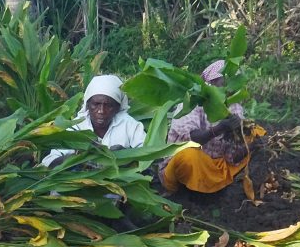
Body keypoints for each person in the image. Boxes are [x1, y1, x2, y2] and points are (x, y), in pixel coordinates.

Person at [159, 60, 266, 195]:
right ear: (212, 82)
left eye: (233, 82)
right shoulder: (193, 102)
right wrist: (220, 128)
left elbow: (232, 155)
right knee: (188, 157)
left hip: (217, 165)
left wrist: (247, 144)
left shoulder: (234, 107)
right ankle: (185, 191)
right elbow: (191, 139)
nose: (229, 87)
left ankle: (216, 187)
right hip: (194, 163)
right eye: (224, 81)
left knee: (255, 132)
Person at [40, 74, 148, 166]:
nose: (101, 111)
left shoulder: (129, 125)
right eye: (96, 104)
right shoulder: (76, 127)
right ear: (87, 105)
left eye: (108, 105)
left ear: (117, 107)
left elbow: (148, 154)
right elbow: (48, 163)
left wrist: (125, 154)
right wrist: (78, 157)